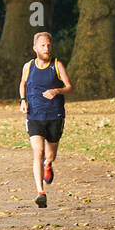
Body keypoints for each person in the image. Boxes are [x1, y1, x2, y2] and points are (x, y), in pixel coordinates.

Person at [20, 32, 73, 209]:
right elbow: (23, 83)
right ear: (35, 48)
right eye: (43, 45)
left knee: (50, 155)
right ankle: (40, 193)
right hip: (34, 115)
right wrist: (23, 100)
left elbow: (69, 87)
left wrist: (57, 91)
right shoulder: (28, 66)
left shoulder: (57, 65)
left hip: (54, 115)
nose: (47, 48)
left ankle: (48, 165)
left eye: (49, 45)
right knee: (38, 152)